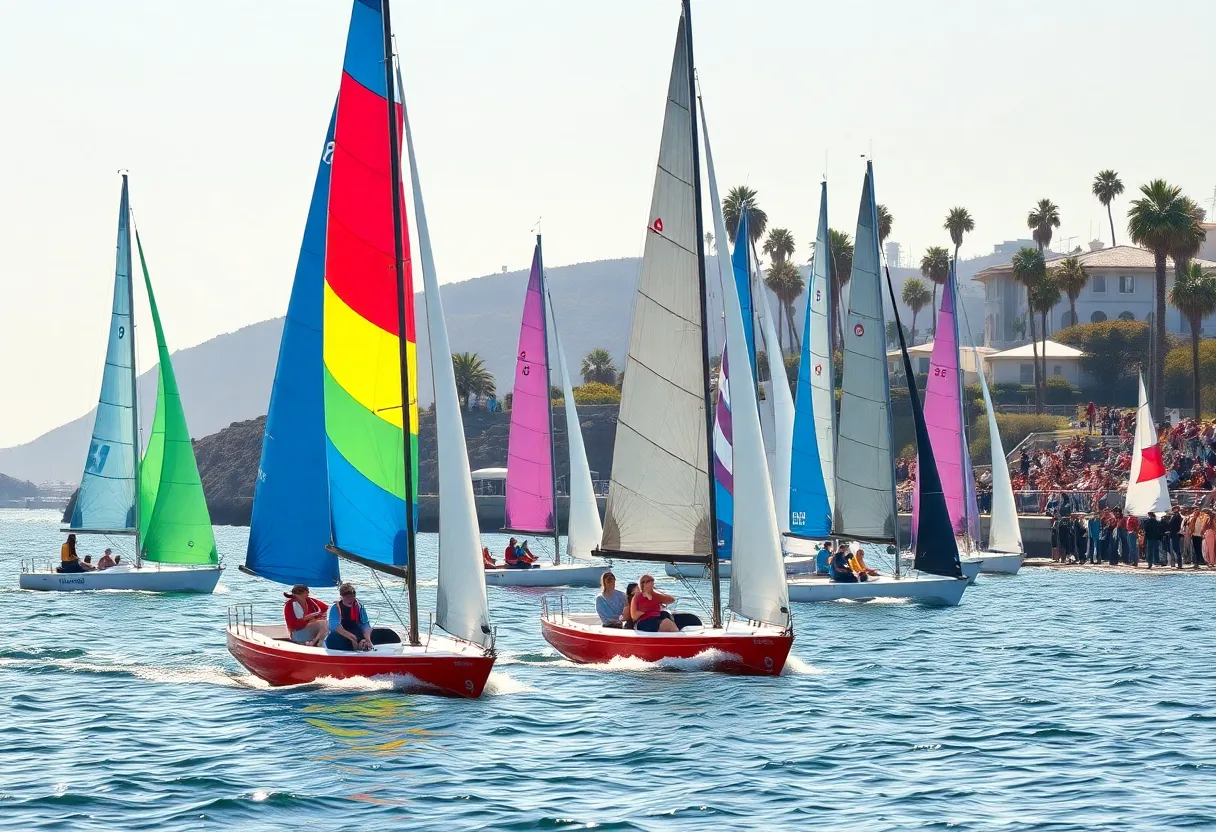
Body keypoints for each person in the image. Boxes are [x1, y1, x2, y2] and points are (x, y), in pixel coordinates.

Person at [326, 583, 373, 651]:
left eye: (352, 596)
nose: (350, 599)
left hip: (357, 632)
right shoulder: (336, 608)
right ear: (342, 596)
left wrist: (368, 640)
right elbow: (334, 626)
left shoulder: (359, 607)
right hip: (343, 634)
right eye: (347, 597)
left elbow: (365, 625)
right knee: (332, 637)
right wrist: (352, 638)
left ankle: (363, 645)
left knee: (366, 640)